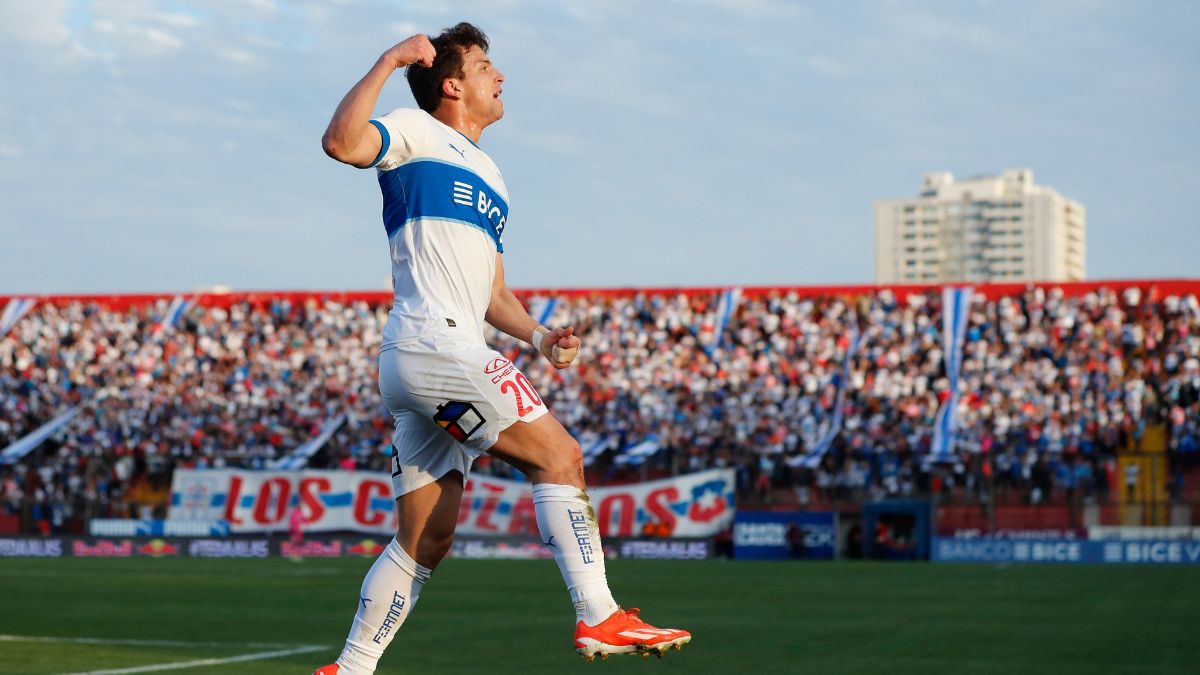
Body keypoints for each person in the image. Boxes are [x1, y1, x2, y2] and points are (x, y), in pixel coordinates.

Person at [313, 24, 690, 674]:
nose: (501, 76)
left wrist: (539, 336)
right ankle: (599, 614)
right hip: (438, 346)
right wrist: (390, 59)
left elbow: (493, 290)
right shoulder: (413, 130)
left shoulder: (490, 173)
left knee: (426, 538)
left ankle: (350, 669)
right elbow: (341, 142)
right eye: (487, 65)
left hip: (428, 354)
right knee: (560, 456)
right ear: (452, 84)